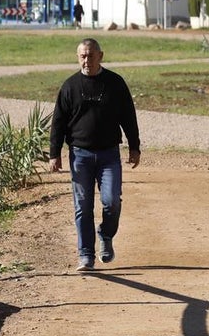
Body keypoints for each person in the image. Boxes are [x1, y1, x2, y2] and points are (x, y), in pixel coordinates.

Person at [49, 38, 141, 271]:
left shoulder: (115, 83)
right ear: (77, 57)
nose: (86, 60)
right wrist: (54, 153)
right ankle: (86, 255)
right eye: (82, 56)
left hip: (109, 154)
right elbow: (58, 122)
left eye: (90, 55)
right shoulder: (69, 86)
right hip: (80, 155)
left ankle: (106, 235)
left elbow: (128, 116)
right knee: (83, 206)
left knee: (111, 202)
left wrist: (134, 146)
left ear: (100, 56)